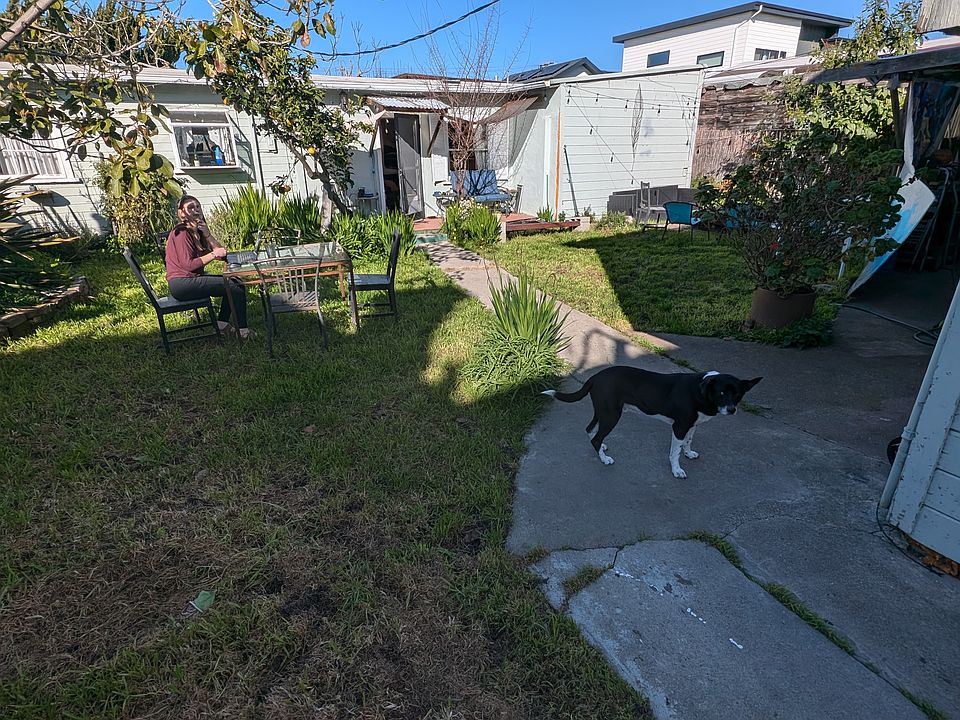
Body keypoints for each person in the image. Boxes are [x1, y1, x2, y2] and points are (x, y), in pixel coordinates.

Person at [165, 195, 252, 338]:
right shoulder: (181, 233)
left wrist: (208, 235)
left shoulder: (196, 232)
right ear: (181, 213)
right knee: (235, 285)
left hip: (191, 279)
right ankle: (243, 332)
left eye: (198, 206)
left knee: (234, 281)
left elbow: (222, 254)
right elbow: (188, 265)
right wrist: (212, 254)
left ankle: (222, 325)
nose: (196, 210)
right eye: (190, 207)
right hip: (182, 283)